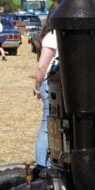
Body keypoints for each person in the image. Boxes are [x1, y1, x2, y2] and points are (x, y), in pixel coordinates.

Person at [33, 15, 58, 168]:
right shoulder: (52, 37)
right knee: (47, 126)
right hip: (49, 83)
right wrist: (37, 85)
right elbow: (42, 67)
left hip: (57, 83)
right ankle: (42, 165)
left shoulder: (57, 35)